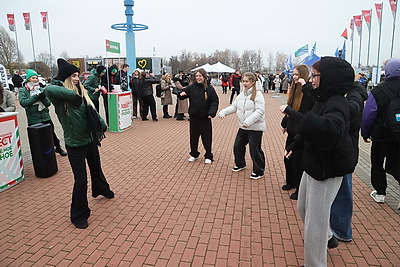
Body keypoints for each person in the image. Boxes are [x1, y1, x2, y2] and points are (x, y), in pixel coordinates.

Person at [280, 57, 356, 266]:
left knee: (315, 224)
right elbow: (311, 127)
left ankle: (315, 262)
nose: (312, 80)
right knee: (303, 207)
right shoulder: (323, 99)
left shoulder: (338, 104)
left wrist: (292, 113)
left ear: (329, 78)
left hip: (326, 169)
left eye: (315, 75)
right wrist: (294, 146)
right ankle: (329, 236)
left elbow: (326, 130)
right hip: (314, 165)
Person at [45, 58, 114, 229]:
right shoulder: (60, 96)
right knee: (81, 180)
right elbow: (48, 88)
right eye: (73, 76)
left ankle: (101, 188)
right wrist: (74, 93)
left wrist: (101, 124)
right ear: (65, 78)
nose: (77, 78)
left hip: (89, 138)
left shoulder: (81, 92)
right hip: (75, 144)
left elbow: (91, 109)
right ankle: (78, 214)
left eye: (77, 75)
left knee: (96, 167)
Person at [330, 81, 368, 242]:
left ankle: (342, 230)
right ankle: (338, 227)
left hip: (346, 150)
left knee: (343, 190)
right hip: (344, 148)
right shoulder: (352, 94)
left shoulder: (354, 96)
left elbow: (352, 112)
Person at [361, 58, 400, 209]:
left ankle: (380, 193)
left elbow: (369, 114)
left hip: (381, 136)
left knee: (377, 163)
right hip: (398, 136)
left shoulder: (378, 90)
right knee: (397, 164)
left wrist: (365, 133)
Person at [218, 72, 266, 179]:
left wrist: (248, 121)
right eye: (243, 81)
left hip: (255, 127)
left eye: (247, 81)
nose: (245, 83)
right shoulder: (241, 95)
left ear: (253, 82)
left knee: (254, 149)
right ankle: (240, 163)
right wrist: (224, 112)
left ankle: (259, 170)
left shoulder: (258, 95)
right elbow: (234, 107)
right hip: (243, 127)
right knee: (238, 146)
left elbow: (259, 111)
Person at [280, 65, 316, 200]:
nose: (294, 77)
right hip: (292, 129)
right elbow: (290, 109)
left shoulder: (308, 91)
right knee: (287, 157)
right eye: (293, 74)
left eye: (297, 75)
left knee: (298, 160)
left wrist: (305, 87)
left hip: (302, 131)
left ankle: (300, 188)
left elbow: (308, 110)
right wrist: (285, 123)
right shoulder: (294, 89)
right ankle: (290, 181)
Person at [18, 69, 67, 156]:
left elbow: (48, 104)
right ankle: (41, 154)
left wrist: (43, 97)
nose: (35, 80)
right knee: (38, 139)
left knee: (52, 134)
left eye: (36, 78)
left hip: (45, 117)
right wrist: (36, 97)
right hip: (33, 119)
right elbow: (23, 103)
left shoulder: (41, 88)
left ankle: (58, 148)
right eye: (33, 78)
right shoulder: (23, 90)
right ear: (28, 79)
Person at [178, 68, 219, 164]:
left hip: (205, 117)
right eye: (196, 76)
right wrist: (181, 94)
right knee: (193, 137)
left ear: (204, 77)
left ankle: (208, 155)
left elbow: (214, 101)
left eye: (200, 76)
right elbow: (182, 93)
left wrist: (211, 113)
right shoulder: (192, 87)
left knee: (207, 138)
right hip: (194, 117)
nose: (198, 78)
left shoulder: (209, 88)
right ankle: (194, 154)